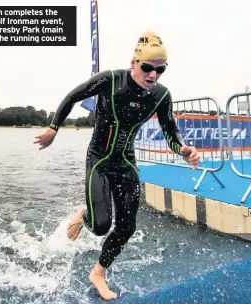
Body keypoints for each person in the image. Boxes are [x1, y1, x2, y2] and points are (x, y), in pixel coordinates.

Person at [34, 30, 200, 301]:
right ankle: (84, 214)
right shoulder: (110, 80)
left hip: (125, 162)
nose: (153, 76)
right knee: (101, 225)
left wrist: (182, 148)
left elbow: (170, 129)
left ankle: (98, 272)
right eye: (147, 68)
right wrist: (54, 128)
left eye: (160, 70)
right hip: (99, 160)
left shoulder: (160, 95)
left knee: (126, 227)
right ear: (134, 63)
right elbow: (73, 96)